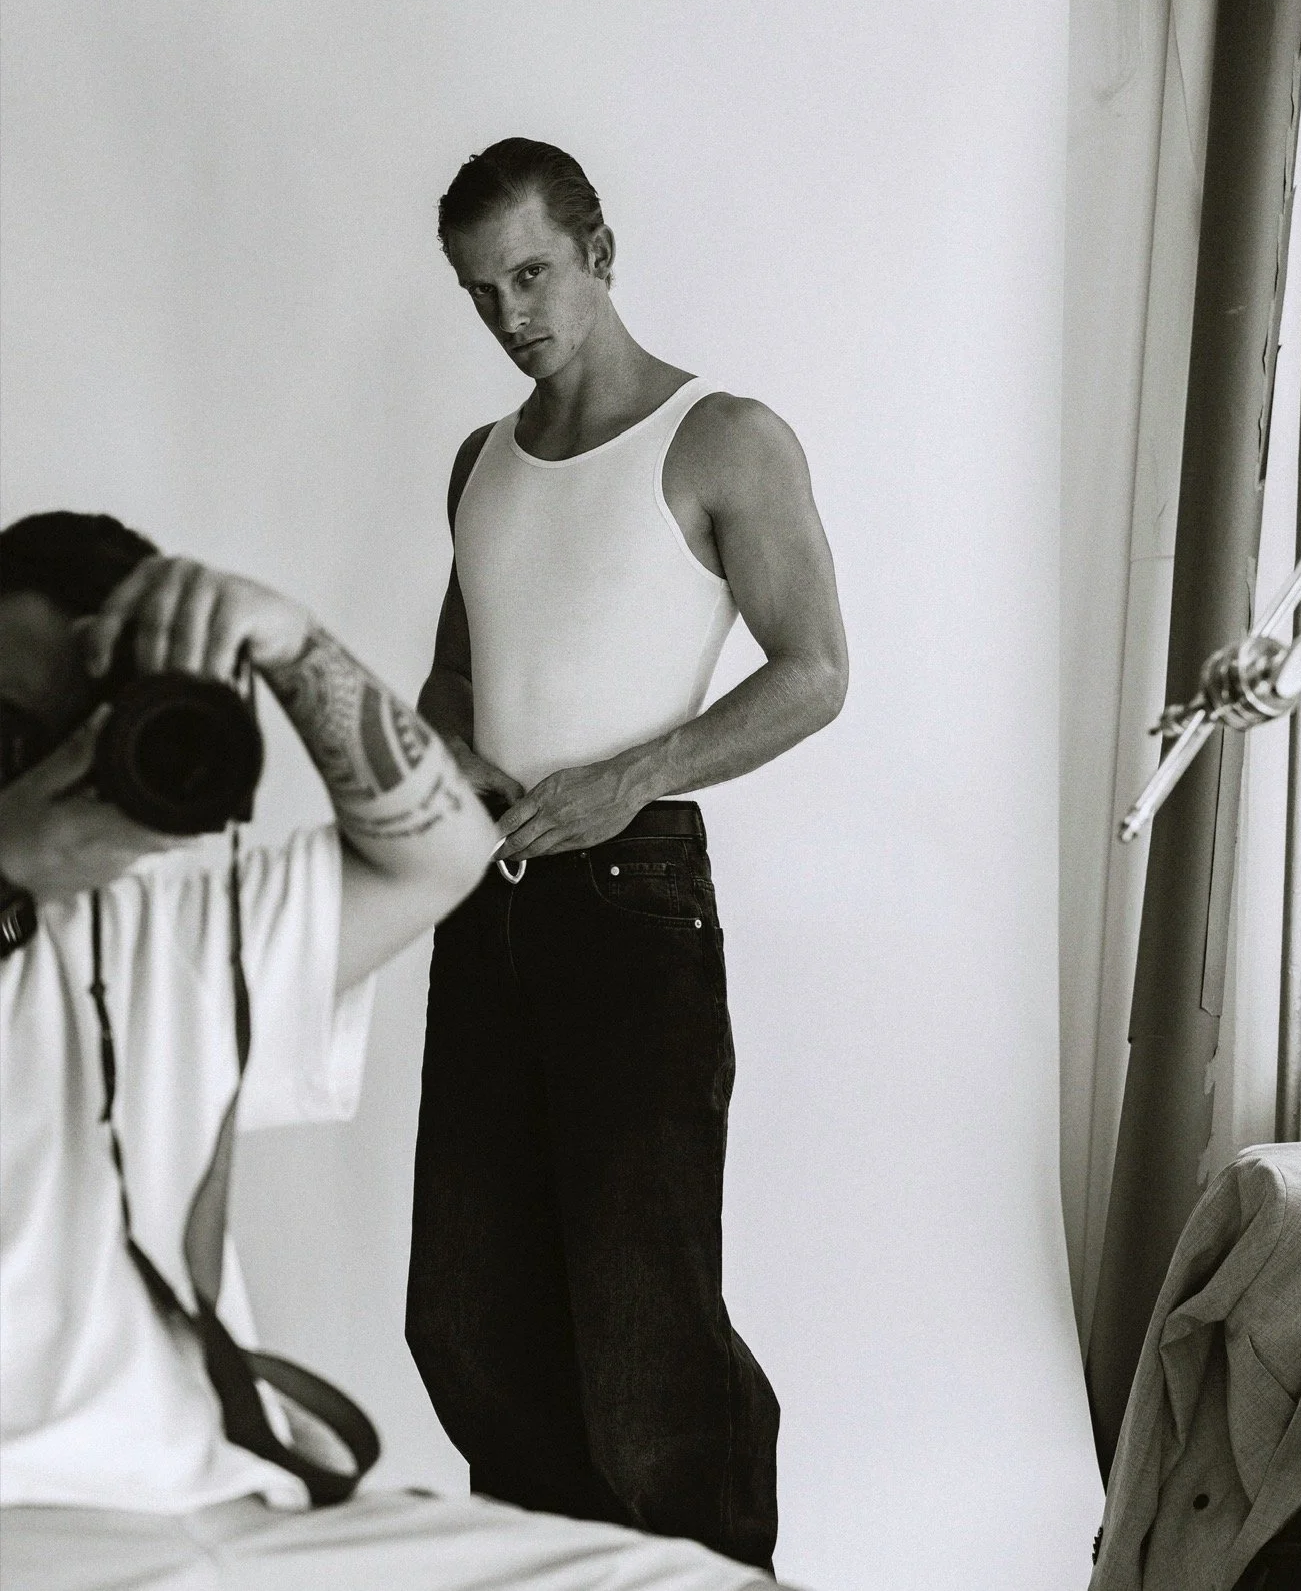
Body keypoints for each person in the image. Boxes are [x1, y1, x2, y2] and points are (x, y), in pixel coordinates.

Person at [0, 510, 775, 1591]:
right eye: (13, 731)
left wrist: (286, 638)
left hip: (240, 1499)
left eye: (91, 721)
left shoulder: (185, 925)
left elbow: (441, 842)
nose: (67, 763)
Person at [407, 140, 850, 1572]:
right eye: (481, 292)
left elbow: (813, 672)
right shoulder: (479, 462)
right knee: (467, 1320)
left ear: (598, 248)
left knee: (642, 1326)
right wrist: (456, 760)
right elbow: (452, 677)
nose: (510, 314)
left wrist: (624, 781)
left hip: (631, 890)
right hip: (489, 897)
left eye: (531, 273)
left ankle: (717, 1573)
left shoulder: (724, 438)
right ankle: (572, 1570)